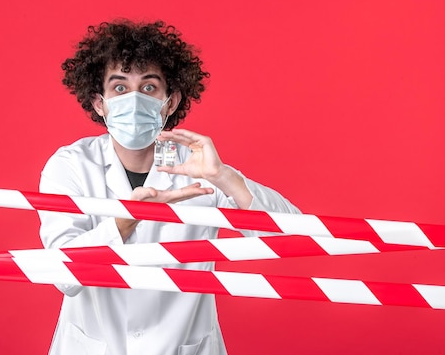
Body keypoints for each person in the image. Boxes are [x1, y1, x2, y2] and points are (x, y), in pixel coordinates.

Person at [38, 19, 300, 355]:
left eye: (148, 88)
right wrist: (128, 218)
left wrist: (223, 176)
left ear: (170, 101)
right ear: (99, 102)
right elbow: (63, 276)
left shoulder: (198, 167)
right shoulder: (71, 165)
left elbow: (288, 237)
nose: (134, 100)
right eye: (119, 88)